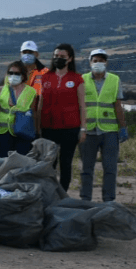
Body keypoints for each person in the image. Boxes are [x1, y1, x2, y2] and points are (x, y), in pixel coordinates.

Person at [78, 49, 126, 202]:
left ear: (106, 63)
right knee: (87, 169)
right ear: (90, 62)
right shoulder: (82, 80)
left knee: (110, 169)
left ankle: (109, 201)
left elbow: (117, 105)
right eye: (95, 60)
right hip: (88, 131)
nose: (98, 63)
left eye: (101, 60)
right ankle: (85, 200)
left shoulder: (114, 79)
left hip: (109, 131)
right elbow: (79, 106)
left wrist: (123, 127)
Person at [39, 43, 87, 191]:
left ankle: (62, 193)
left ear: (70, 59)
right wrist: (38, 126)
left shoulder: (77, 79)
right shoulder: (46, 77)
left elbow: (82, 106)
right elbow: (40, 103)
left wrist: (83, 129)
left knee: (65, 163)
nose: (58, 59)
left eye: (62, 57)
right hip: (48, 127)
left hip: (70, 128)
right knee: (49, 163)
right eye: (56, 56)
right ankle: (49, 192)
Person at [0, 61, 39, 157]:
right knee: (2, 164)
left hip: (23, 134)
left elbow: (33, 114)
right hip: (3, 134)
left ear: (23, 75)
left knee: (20, 165)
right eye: (11, 73)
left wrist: (36, 133)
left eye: (17, 73)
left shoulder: (31, 92)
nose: (13, 75)